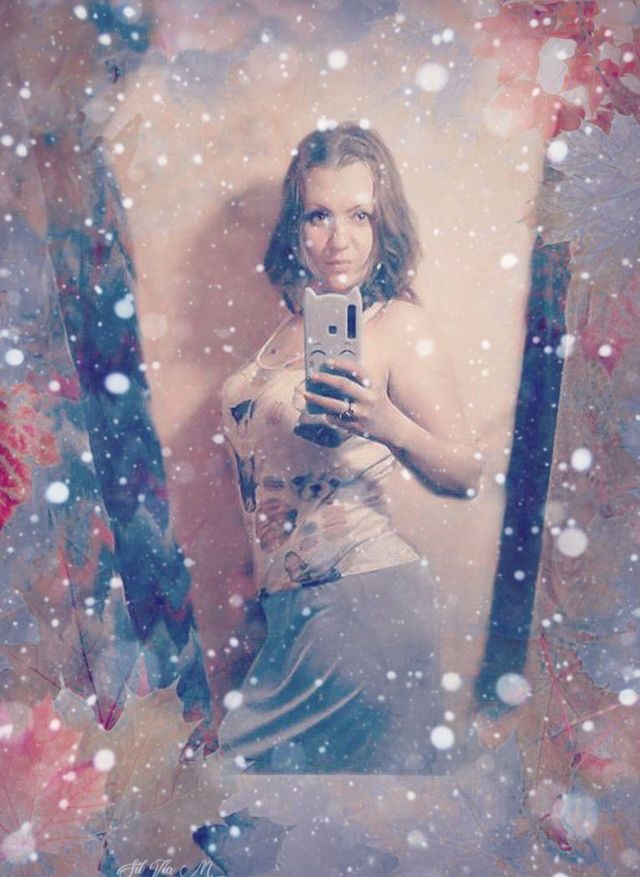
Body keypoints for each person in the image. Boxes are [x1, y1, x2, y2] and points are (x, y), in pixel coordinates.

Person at [216, 121, 482, 774]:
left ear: (383, 222)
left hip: (365, 605)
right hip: (290, 614)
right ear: (296, 225)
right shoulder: (290, 328)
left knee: (359, 814)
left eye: (359, 214)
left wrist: (388, 423)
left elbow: (466, 471)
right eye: (319, 215)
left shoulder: (397, 324)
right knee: (280, 814)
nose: (339, 239)